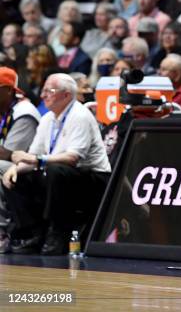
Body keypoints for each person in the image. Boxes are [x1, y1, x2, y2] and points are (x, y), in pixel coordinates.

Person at [2, 74, 111, 255]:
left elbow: (73, 158)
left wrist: (38, 160)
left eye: (49, 91)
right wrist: (15, 169)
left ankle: (58, 232)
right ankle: (32, 232)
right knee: (15, 175)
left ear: (66, 95)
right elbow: (32, 155)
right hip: (61, 174)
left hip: (94, 178)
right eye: (43, 91)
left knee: (55, 171)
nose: (43, 95)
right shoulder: (47, 119)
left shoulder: (80, 115)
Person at [0, 67, 40, 253]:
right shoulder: (3, 109)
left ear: (8, 90)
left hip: (29, 169)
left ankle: (3, 232)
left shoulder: (24, 113)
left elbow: (12, 154)